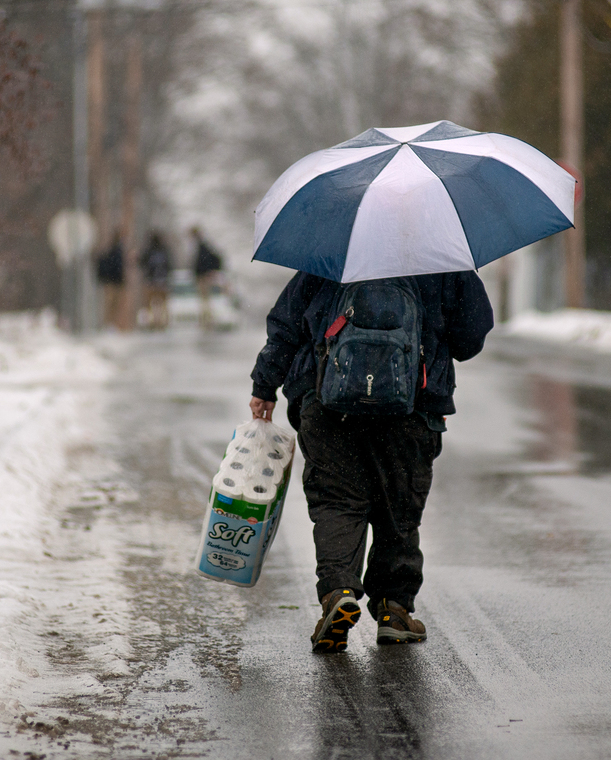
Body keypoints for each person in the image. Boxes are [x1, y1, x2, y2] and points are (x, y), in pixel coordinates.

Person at [249, 271, 493, 653]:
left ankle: (338, 592)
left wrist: (264, 386)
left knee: (336, 502)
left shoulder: (333, 251)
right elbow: (470, 338)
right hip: (412, 405)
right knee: (399, 507)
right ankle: (394, 611)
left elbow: (286, 324)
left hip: (326, 399)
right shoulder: (443, 259)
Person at [190, 226, 224, 328]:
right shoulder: (204, 246)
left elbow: (201, 262)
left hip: (203, 276)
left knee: (205, 300)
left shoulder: (201, 247)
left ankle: (206, 320)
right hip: (204, 275)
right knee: (205, 299)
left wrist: (203, 271)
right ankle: (206, 319)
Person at [140, 231, 171, 330]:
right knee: (162, 304)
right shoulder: (164, 251)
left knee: (150, 303)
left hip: (151, 281)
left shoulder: (149, 251)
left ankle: (153, 321)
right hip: (163, 280)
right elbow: (169, 265)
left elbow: (142, 262)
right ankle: (162, 322)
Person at [96, 233, 126, 330]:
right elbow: (118, 269)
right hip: (114, 283)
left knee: (111, 305)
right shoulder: (117, 253)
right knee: (113, 305)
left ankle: (110, 324)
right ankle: (110, 324)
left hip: (111, 282)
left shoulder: (111, 252)